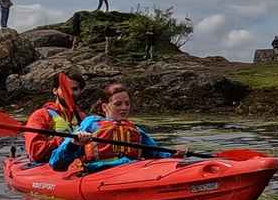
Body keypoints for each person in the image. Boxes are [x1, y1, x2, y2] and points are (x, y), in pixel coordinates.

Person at [49, 82, 185, 173]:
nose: (124, 108)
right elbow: (56, 162)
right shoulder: (91, 124)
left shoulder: (135, 129)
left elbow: (156, 153)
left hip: (131, 170)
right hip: (100, 172)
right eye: (118, 104)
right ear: (105, 107)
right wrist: (74, 143)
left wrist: (173, 154)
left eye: (127, 103)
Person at [23, 71, 86, 163]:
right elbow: (35, 152)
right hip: (49, 164)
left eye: (75, 89)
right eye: (66, 89)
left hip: (77, 163)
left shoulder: (82, 117)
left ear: (80, 91)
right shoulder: (40, 116)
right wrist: (65, 140)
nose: (70, 93)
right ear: (55, 90)